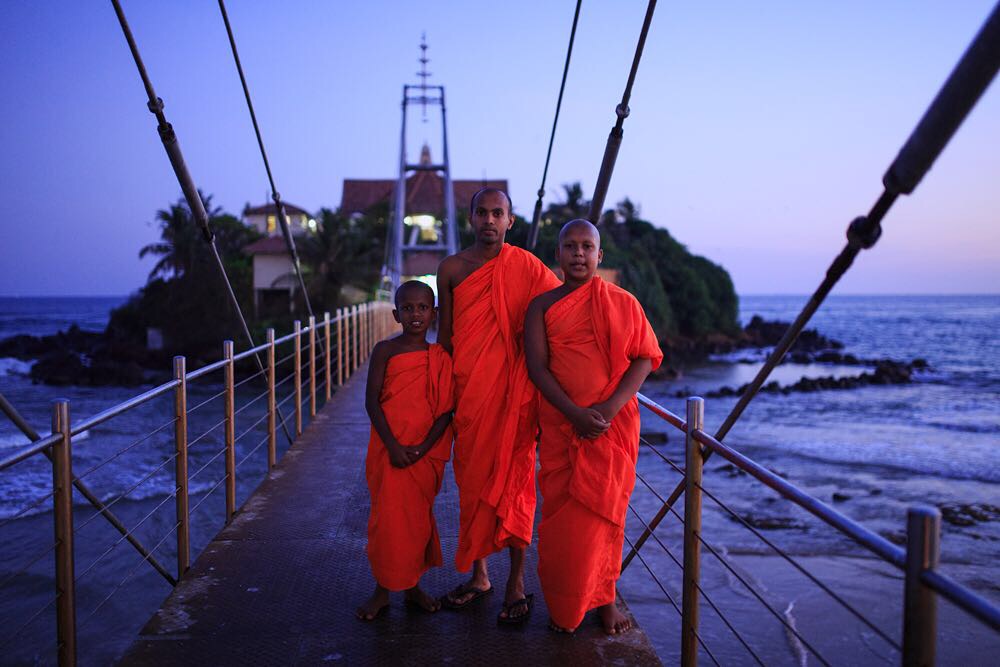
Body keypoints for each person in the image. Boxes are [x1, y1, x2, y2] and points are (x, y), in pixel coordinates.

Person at [524, 219, 663, 634]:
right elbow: (537, 368)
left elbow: (644, 357)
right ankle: (567, 604)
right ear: (559, 255)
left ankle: (605, 602)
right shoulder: (542, 306)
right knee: (563, 525)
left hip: (611, 428)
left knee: (607, 517)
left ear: (600, 256)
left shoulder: (622, 302)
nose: (579, 254)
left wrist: (607, 409)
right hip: (563, 426)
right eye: (570, 246)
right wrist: (574, 414)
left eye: (587, 247)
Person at [436, 188, 561, 624]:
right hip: (469, 394)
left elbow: (560, 308)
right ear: (470, 218)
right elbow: (446, 338)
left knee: (517, 485)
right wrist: (441, 396)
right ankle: (480, 575)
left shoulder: (526, 266)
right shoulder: (450, 268)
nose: (490, 220)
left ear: (511, 221)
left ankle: (516, 582)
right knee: (472, 485)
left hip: (515, 394)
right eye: (483, 212)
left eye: (498, 213)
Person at [356, 281, 455, 621]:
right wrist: (393, 446)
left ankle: (413, 585)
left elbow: (445, 411)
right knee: (387, 521)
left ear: (434, 314)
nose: (416, 314)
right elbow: (372, 401)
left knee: (417, 521)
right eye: (409, 308)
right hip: (389, 449)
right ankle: (383, 589)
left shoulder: (440, 357)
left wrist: (424, 448)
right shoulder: (385, 350)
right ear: (396, 314)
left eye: (423, 308)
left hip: (423, 454)